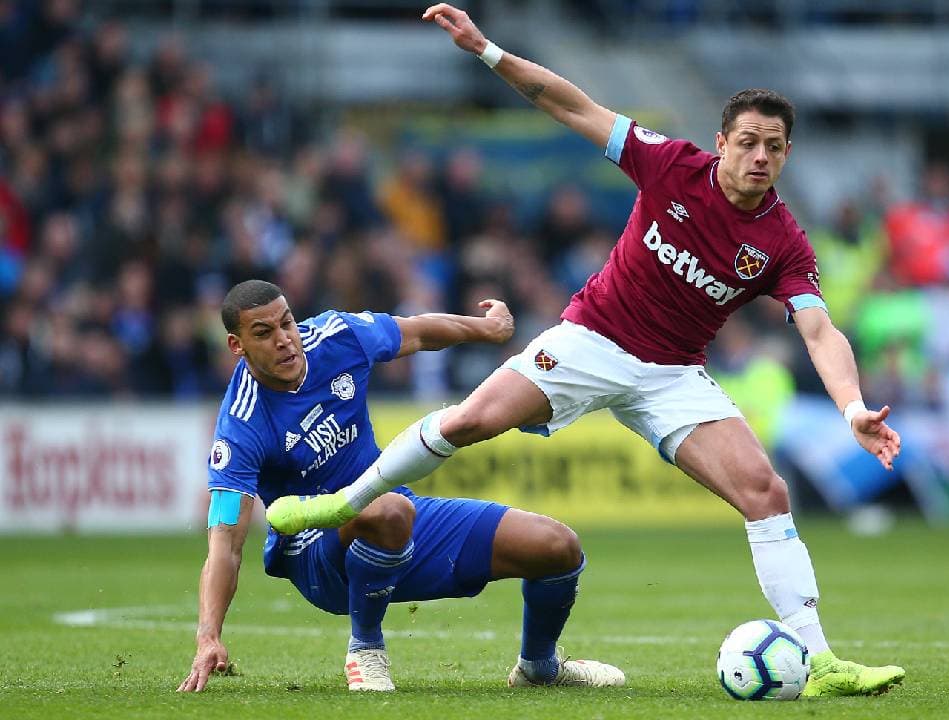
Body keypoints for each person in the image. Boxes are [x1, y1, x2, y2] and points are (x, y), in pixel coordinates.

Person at [268, 3, 906, 698]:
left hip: (673, 375)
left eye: (774, 147)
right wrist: (487, 50)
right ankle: (345, 504)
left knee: (767, 492)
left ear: (786, 155)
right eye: (749, 142)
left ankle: (821, 663)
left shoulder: (783, 241)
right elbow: (570, 105)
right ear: (721, 142)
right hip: (592, 340)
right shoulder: (670, 165)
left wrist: (852, 408)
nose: (760, 157)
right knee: (470, 421)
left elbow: (819, 330)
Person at [177, 279, 624, 693]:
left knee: (556, 546)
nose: (284, 339)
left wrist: (488, 329)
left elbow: (418, 331)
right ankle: (365, 650)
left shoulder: (337, 336)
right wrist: (208, 636)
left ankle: (539, 667)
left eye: (286, 322)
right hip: (316, 555)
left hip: (394, 517)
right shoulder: (241, 424)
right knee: (388, 510)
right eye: (263, 332)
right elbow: (225, 544)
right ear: (236, 345)